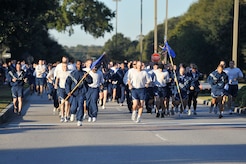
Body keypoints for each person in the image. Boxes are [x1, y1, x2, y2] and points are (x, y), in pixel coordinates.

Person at [65, 60, 92, 126]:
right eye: (78, 64)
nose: (79, 66)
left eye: (80, 64)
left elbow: (90, 81)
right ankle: (72, 113)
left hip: (82, 92)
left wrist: (86, 78)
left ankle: (79, 120)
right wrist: (68, 91)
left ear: (82, 65)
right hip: (74, 92)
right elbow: (67, 83)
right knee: (73, 107)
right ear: (76, 65)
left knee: (81, 105)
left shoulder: (85, 73)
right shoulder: (72, 74)